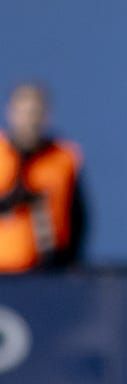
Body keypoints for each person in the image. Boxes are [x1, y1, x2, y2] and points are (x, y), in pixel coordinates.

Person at [0, 82, 88, 273]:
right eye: (23, 112)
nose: (30, 120)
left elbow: (78, 216)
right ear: (10, 112)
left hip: (48, 272)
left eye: (35, 112)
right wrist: (9, 202)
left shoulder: (63, 157)